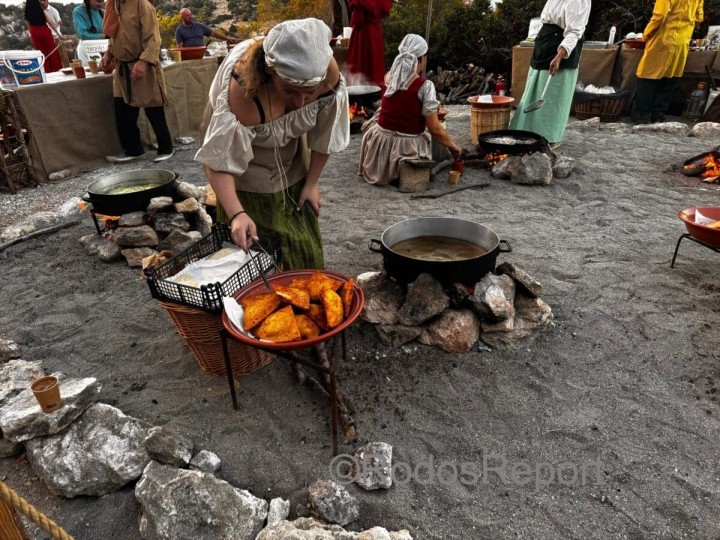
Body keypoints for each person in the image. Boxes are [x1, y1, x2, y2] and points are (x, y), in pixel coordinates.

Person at [195, 18, 350, 269]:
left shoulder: (326, 74)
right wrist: (237, 214)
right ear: (270, 70)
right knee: (256, 252)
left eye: (309, 92)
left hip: (289, 154)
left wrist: (312, 183)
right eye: (290, 90)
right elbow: (219, 162)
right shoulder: (244, 94)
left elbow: (326, 133)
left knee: (302, 243)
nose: (300, 103)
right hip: (242, 164)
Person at [358, 34, 461, 186]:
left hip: (381, 142)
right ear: (421, 59)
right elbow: (434, 129)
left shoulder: (389, 77)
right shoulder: (425, 86)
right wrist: (453, 146)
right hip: (405, 148)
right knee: (432, 132)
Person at [508, 0, 591, 147]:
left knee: (552, 97)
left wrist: (559, 56)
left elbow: (575, 31)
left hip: (560, 50)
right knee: (535, 90)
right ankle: (527, 132)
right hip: (544, 46)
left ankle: (548, 137)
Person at [100, 0, 174, 163]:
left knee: (153, 107)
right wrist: (108, 54)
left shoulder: (142, 3)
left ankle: (166, 147)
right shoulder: (114, 5)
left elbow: (153, 37)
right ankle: (133, 149)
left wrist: (144, 61)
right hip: (122, 67)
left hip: (142, 63)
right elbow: (115, 35)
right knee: (122, 108)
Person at [634, 0, 704, 124]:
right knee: (670, 77)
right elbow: (699, 18)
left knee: (647, 75)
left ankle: (642, 116)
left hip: (662, 38)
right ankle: (658, 115)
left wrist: (646, 35)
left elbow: (659, 15)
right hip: (682, 41)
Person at [347, 0, 392, 87]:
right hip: (368, 30)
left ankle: (363, 87)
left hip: (366, 30)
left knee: (369, 64)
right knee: (370, 64)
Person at [24, 0, 62, 73]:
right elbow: (50, 22)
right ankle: (57, 69)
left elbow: (29, 26)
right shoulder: (41, 11)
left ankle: (47, 71)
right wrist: (58, 33)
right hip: (44, 30)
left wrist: (31, 35)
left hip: (34, 32)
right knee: (52, 50)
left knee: (41, 53)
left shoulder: (27, 14)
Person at [175, 8, 240, 48]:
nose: (190, 16)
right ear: (182, 18)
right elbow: (180, 48)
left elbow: (214, 33)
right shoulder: (179, 30)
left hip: (202, 53)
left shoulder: (199, 26)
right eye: (187, 16)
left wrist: (227, 38)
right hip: (188, 56)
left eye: (191, 14)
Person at [41, 0, 70, 67]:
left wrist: (58, 23)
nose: (42, 2)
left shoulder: (53, 10)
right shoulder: (39, 11)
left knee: (60, 56)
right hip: (46, 35)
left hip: (55, 36)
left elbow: (59, 21)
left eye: (44, 0)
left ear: (47, 1)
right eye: (41, 1)